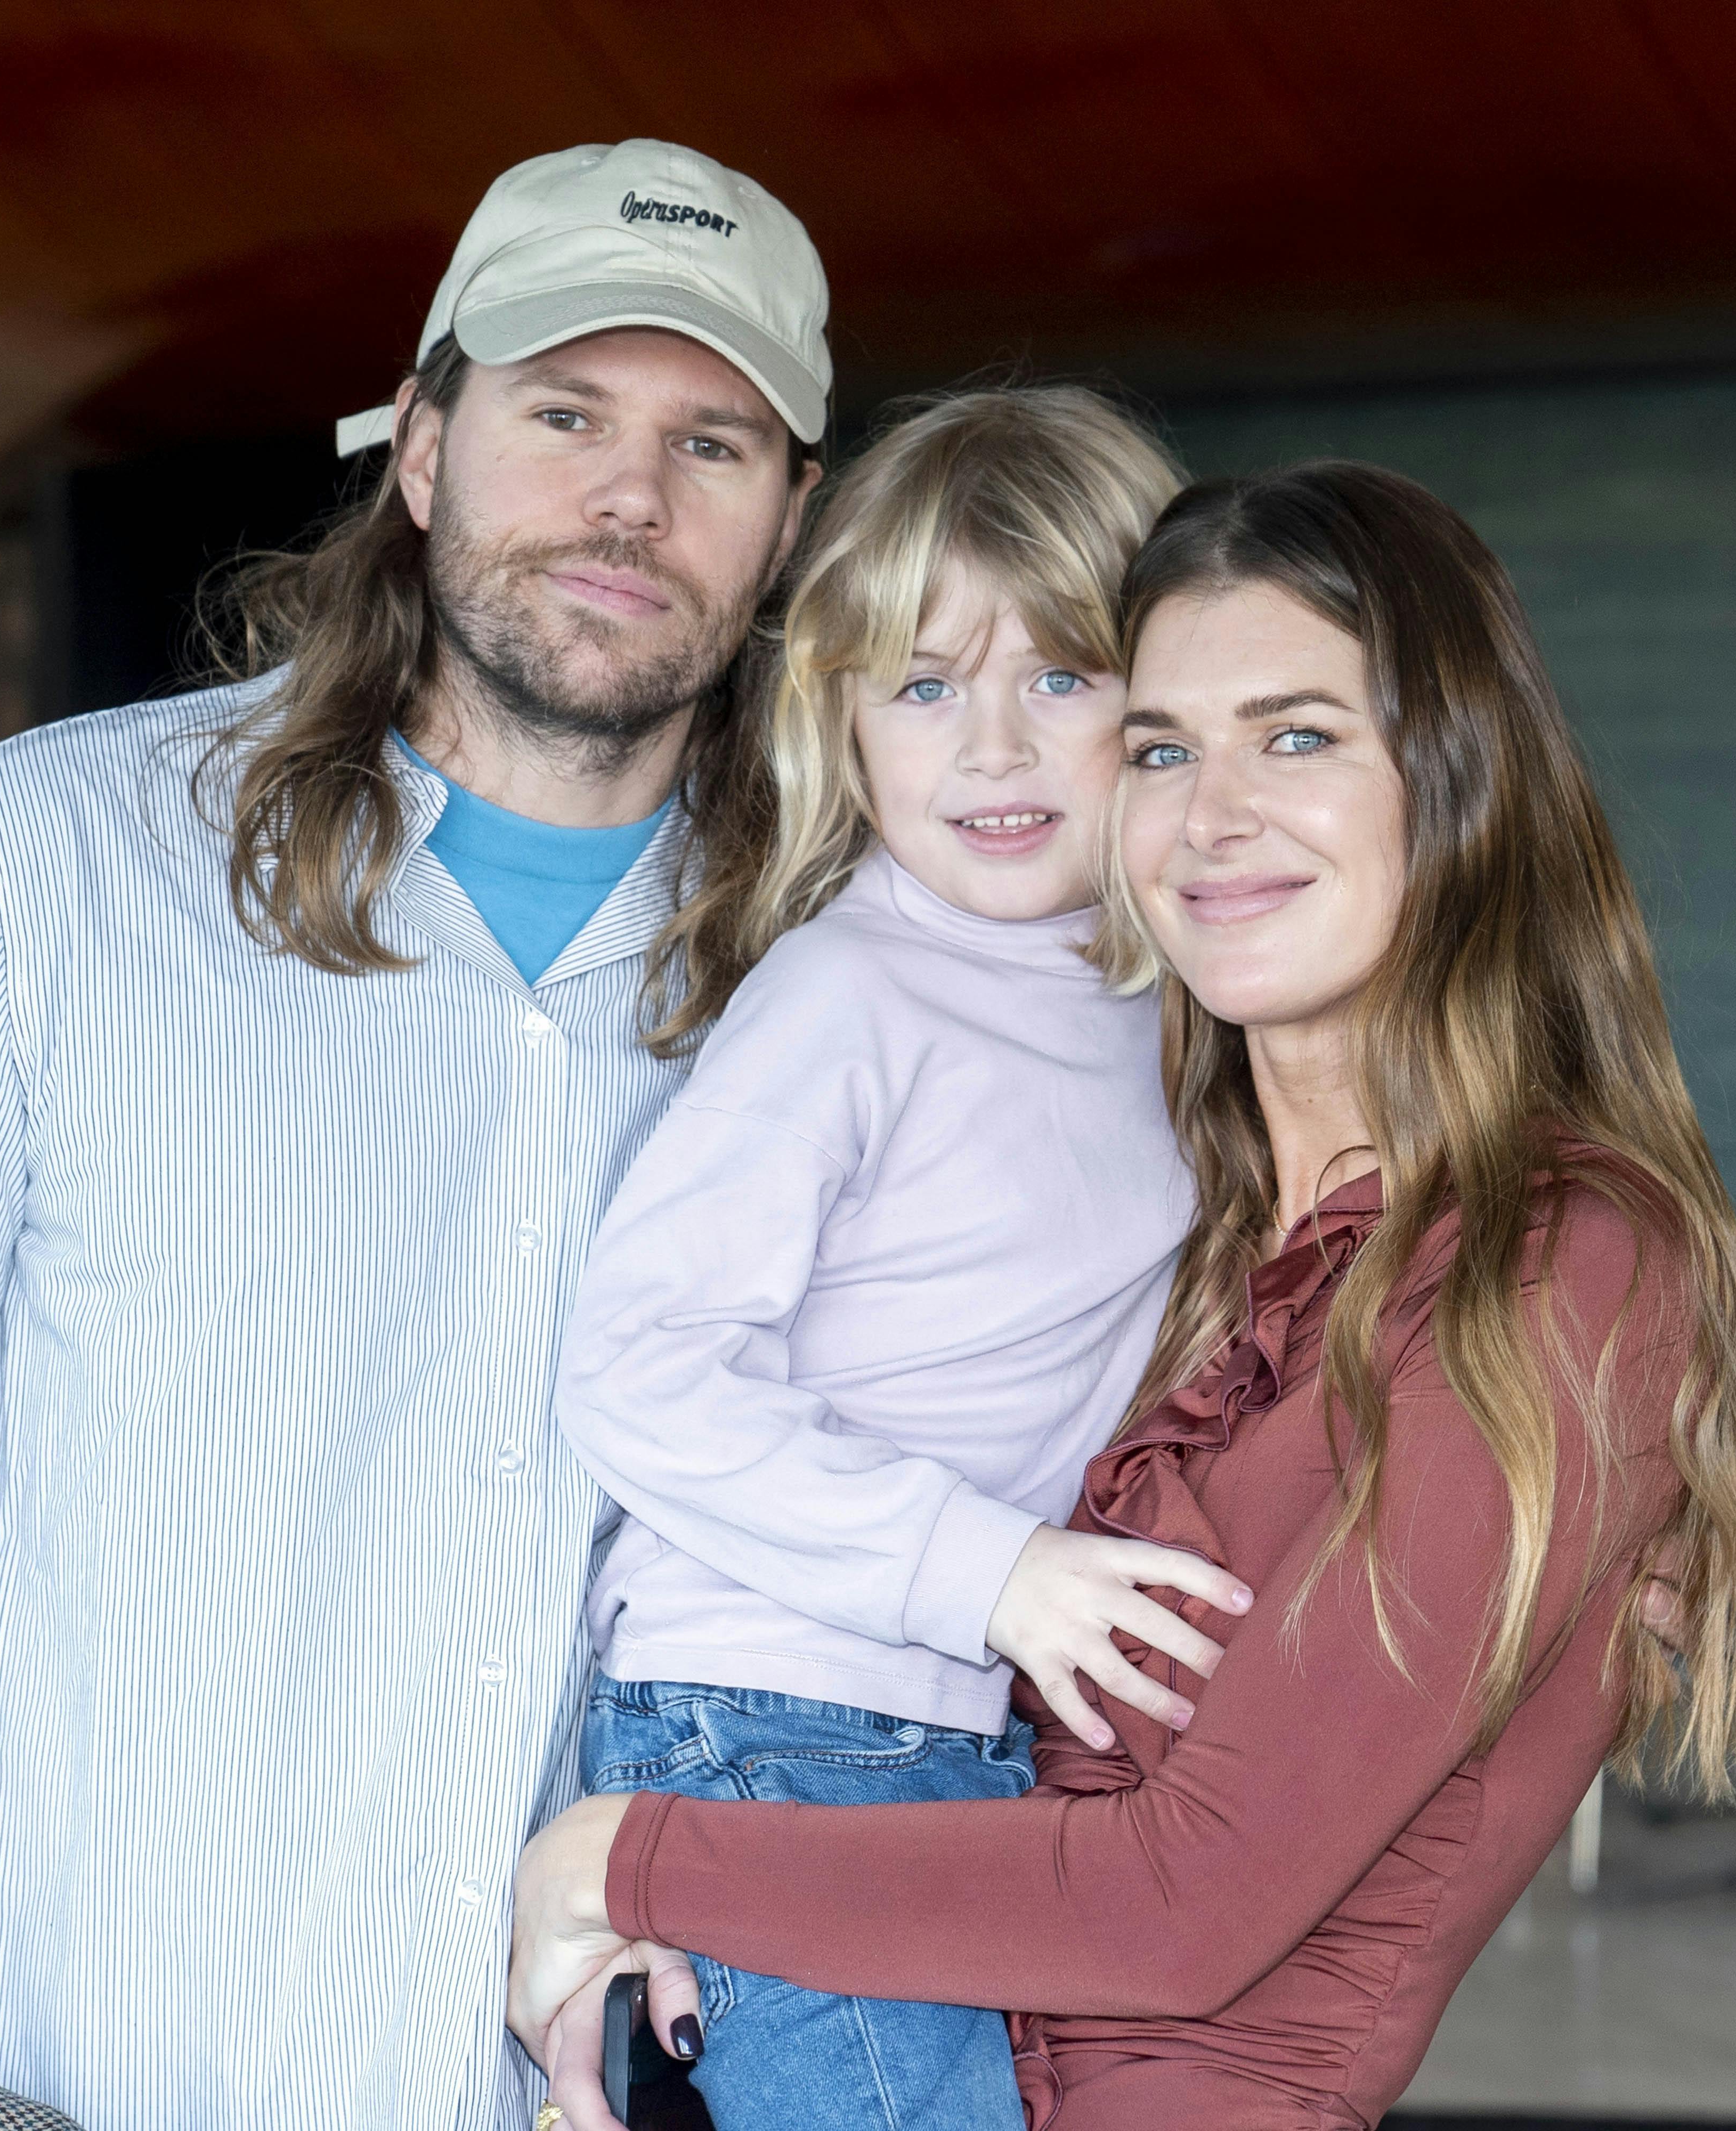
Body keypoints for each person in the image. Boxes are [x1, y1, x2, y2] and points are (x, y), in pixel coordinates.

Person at [0, 140, 829, 2131]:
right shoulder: (25, 877)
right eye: (564, 414)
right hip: (43, 2070)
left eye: (716, 444)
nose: (632, 497)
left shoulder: (841, 984)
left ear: (793, 522)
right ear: (424, 445)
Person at [510, 463, 1736, 2131]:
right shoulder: (1191, 1240)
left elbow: (1186, 1905)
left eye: (1298, 735)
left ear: (1454, 774)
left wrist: (629, 1856)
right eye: (1161, 747)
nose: (1213, 816)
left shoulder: (1553, 1266)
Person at [554, 386, 1254, 2131]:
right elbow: (636, 1371)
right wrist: (990, 1573)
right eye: (928, 687)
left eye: (1062, 680)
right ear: (842, 723)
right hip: (775, 1717)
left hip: (937, 1728)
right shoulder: (848, 996)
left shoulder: (1170, 1007)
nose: (996, 749)